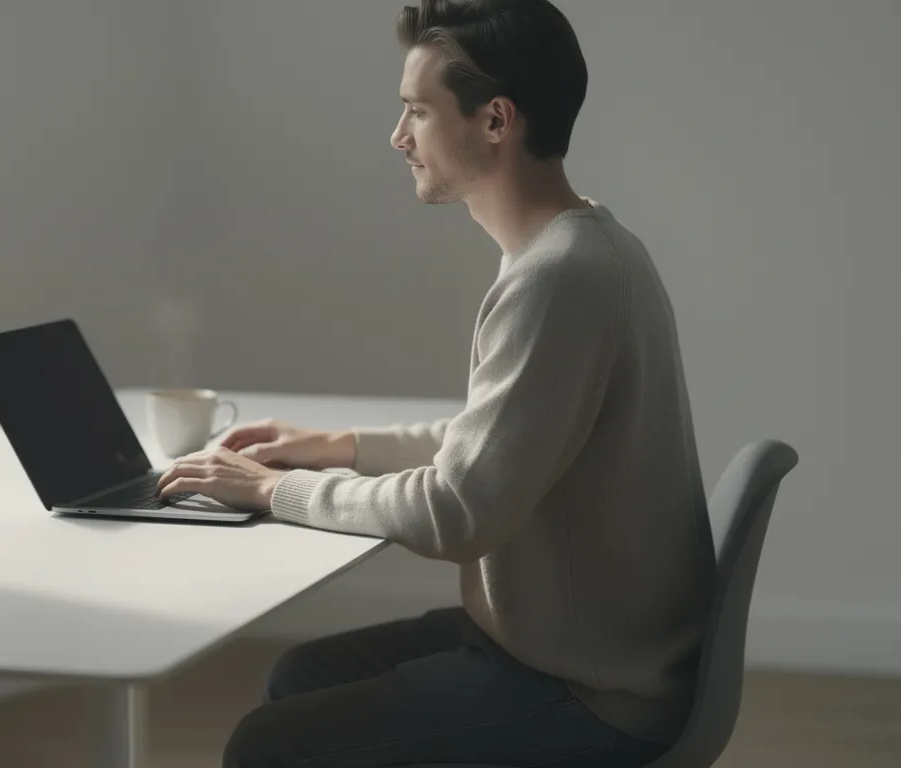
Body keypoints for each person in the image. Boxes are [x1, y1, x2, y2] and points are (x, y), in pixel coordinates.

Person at [156, 0, 717, 765]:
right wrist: (337, 446)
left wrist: (265, 490)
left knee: (266, 746)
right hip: (565, 648)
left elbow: (459, 511)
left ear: (496, 121)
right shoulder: (580, 248)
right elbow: (499, 443)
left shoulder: (559, 278)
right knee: (298, 674)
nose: (398, 137)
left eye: (417, 112)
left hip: (585, 689)